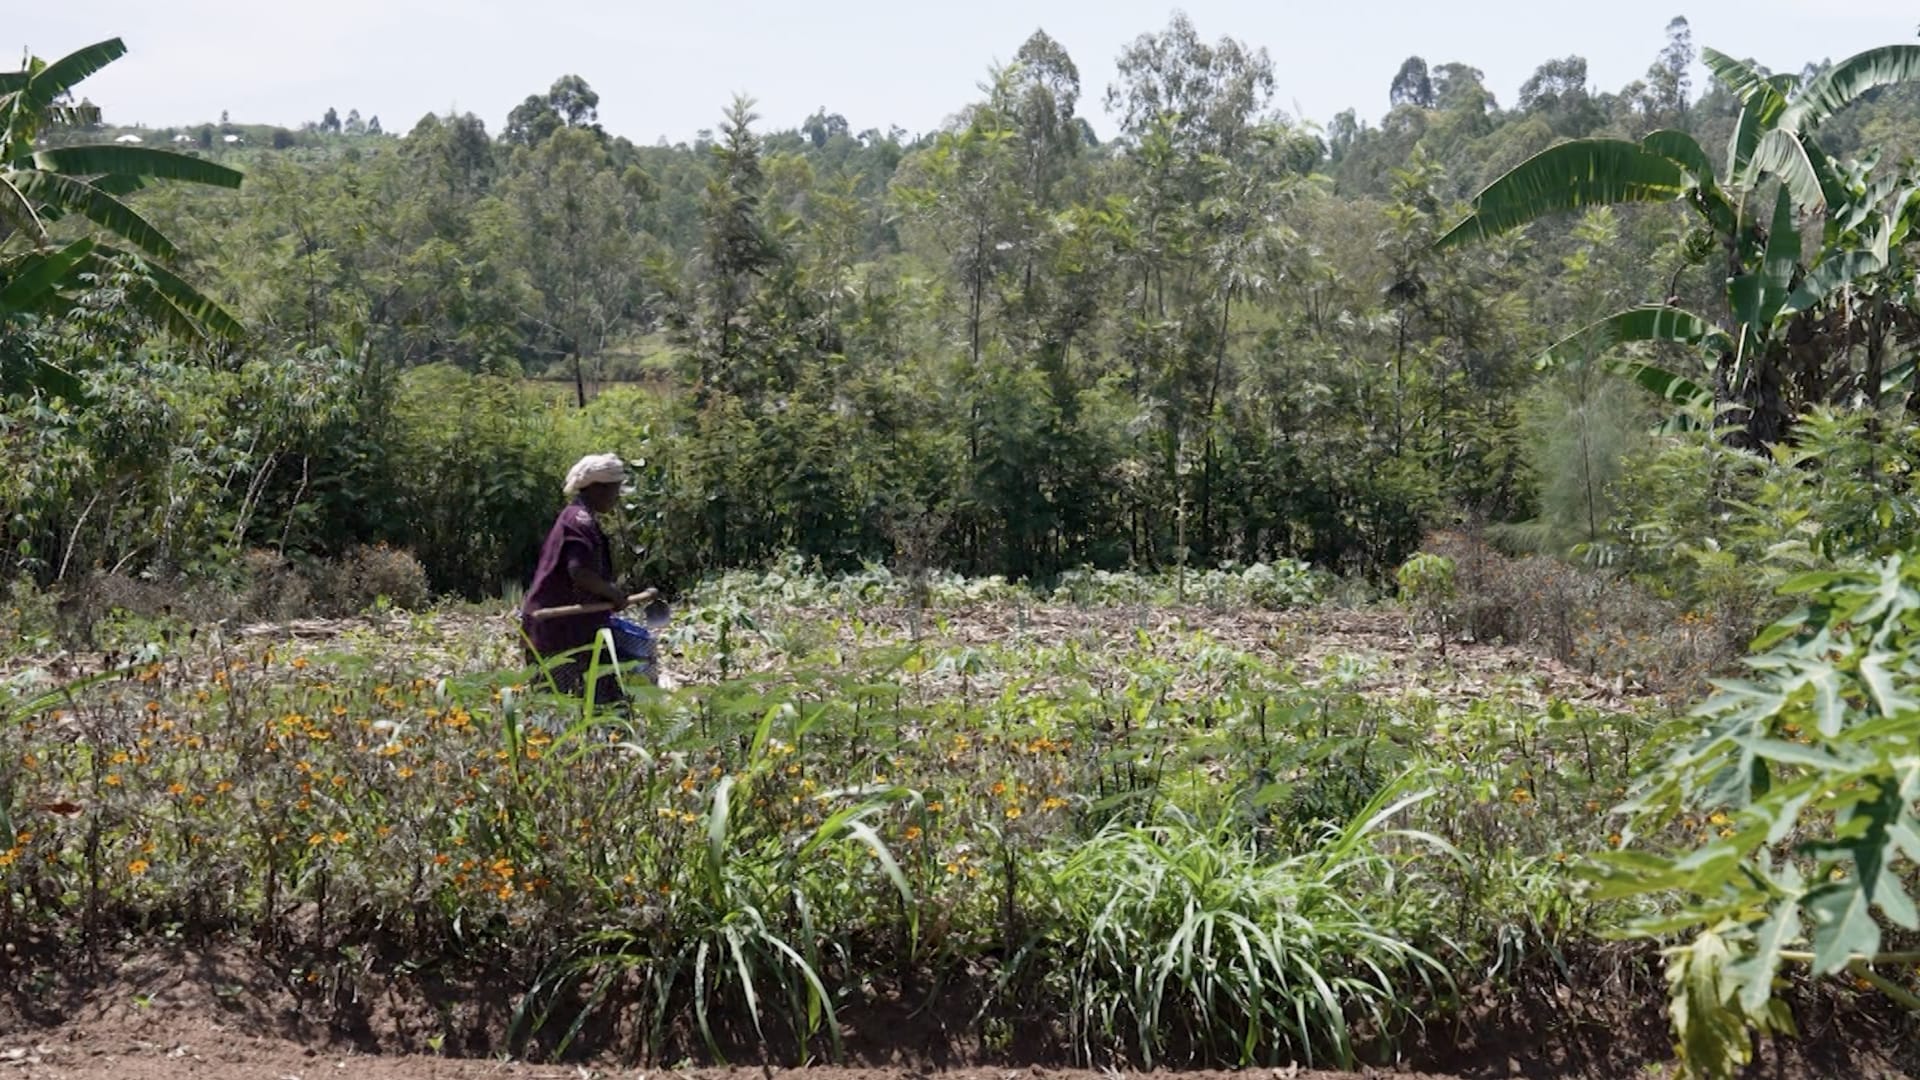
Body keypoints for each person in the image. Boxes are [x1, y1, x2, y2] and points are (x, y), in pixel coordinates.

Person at [521, 453, 655, 700]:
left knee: (598, 695)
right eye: (615, 491)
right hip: (557, 631)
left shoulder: (578, 518)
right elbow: (579, 572)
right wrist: (613, 593)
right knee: (562, 704)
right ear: (598, 489)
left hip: (574, 628)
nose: (616, 498)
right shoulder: (579, 521)